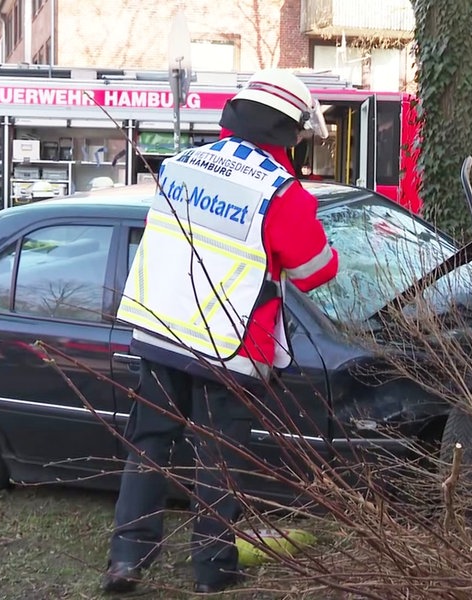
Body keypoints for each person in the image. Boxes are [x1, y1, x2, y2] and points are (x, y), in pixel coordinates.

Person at [102, 69, 339, 595]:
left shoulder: (179, 165)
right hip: (227, 347)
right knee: (217, 459)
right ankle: (213, 572)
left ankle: (126, 560)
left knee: (148, 444)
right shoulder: (283, 194)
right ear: (286, 132)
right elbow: (316, 270)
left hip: (160, 331)